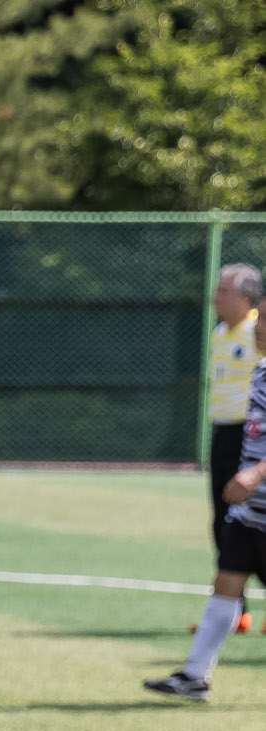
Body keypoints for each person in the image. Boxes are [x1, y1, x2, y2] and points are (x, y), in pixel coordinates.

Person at [154, 344, 266, 701]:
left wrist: (255, 475)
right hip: (250, 513)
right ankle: (195, 676)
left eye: (264, 318)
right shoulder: (261, 370)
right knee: (226, 582)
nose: (257, 327)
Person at [203, 265, 261, 580]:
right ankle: (234, 609)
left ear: (244, 297)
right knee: (222, 519)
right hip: (223, 433)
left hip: (251, 436)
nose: (215, 298)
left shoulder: (259, 331)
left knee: (255, 520)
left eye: (223, 292)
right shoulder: (220, 332)